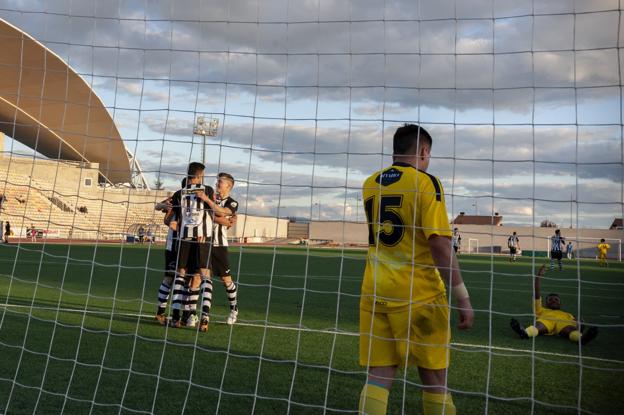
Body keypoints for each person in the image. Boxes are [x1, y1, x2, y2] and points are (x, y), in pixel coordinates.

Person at [359, 124, 474, 415]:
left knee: (378, 376)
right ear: (423, 151)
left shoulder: (371, 183)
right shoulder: (426, 183)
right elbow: (439, 245)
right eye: (429, 154)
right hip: (418, 295)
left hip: (376, 292)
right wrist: (462, 296)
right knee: (434, 377)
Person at [510, 265, 598, 345]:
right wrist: (538, 277)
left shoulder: (568, 315)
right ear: (546, 303)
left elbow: (578, 324)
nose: (553, 301)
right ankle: (525, 333)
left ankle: (582, 339)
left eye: (556, 300)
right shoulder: (541, 310)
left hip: (563, 323)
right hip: (547, 321)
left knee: (570, 330)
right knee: (539, 325)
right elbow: (536, 293)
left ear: (560, 304)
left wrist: (580, 323)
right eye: (550, 300)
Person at [202, 172, 240, 328]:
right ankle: (204, 315)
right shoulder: (211, 197)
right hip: (205, 244)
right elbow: (223, 218)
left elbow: (223, 213)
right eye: (217, 182)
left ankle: (233, 310)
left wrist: (211, 210)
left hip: (220, 246)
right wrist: (221, 217)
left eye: (220, 183)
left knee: (226, 280)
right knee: (205, 278)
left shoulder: (232, 202)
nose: (217, 184)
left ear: (228, 186)